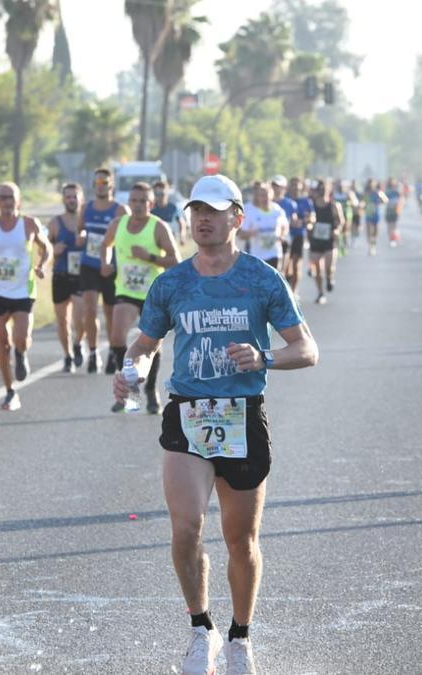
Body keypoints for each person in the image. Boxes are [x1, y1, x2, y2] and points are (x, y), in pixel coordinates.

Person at [113, 175, 318, 675]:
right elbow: (145, 344)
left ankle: (240, 638)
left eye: (215, 210)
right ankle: (200, 629)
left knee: (240, 539)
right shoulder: (172, 283)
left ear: (237, 219)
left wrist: (263, 356)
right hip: (188, 412)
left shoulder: (262, 279)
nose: (203, 218)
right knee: (186, 528)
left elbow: (307, 349)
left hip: (242, 416)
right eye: (196, 210)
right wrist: (132, 371)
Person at [0, 183, 52, 411]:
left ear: (19, 200)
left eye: (11, 197)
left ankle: (22, 352)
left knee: (21, 337)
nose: (7, 201)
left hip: (23, 291)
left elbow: (47, 248)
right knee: (1, 344)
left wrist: (42, 265)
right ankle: (9, 391)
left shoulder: (29, 224)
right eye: (3, 197)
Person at [101, 181, 181, 413]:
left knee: (152, 343)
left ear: (151, 204)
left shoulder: (159, 227)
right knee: (116, 337)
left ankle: (150, 389)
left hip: (152, 293)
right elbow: (105, 245)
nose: (137, 206)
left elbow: (175, 260)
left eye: (142, 201)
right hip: (126, 290)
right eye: (134, 201)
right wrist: (105, 262)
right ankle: (126, 384)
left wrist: (150, 257)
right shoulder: (118, 224)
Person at [76, 167, 127, 374]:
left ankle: (113, 351)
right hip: (89, 264)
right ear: (94, 185)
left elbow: (127, 234)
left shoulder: (119, 210)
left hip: (110, 266)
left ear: (111, 185)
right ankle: (93, 351)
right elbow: (80, 228)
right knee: (89, 308)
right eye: (97, 183)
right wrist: (81, 236)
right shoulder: (86, 208)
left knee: (110, 311)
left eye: (104, 183)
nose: (101, 186)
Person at [49, 183, 88, 373]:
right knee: (63, 321)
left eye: (75, 196)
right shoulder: (56, 223)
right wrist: (54, 252)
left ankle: (79, 342)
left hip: (81, 275)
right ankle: (67, 356)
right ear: (64, 199)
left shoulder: (87, 222)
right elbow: (45, 251)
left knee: (81, 318)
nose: (71, 200)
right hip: (60, 275)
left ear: (81, 199)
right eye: (68, 197)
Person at [308, 180, 344, 305]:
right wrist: (309, 225)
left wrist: (337, 230)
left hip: (329, 240)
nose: (322, 191)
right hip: (316, 239)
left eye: (325, 189)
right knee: (317, 269)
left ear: (329, 191)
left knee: (329, 267)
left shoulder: (334, 205)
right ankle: (320, 293)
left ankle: (329, 278)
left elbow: (340, 221)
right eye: (320, 189)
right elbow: (308, 218)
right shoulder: (312, 205)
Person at [240, 181, 289, 270]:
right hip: (257, 255)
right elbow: (242, 234)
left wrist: (282, 235)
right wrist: (250, 233)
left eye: (267, 195)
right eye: (262, 195)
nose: (265, 198)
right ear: (258, 197)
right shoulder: (251, 212)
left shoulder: (277, 210)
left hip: (275, 253)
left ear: (272, 195)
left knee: (273, 282)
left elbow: (285, 226)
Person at [286, 177, 315, 292]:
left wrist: (306, 222)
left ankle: (294, 291)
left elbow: (312, 217)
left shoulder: (306, 201)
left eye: (297, 185)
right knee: (287, 265)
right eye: (292, 185)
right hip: (286, 236)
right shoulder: (286, 200)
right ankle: (288, 284)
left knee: (296, 263)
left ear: (301, 186)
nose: (294, 187)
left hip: (299, 234)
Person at [271, 176, 298, 271]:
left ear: (284, 188)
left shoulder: (290, 204)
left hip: (284, 240)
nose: (275, 188)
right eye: (273, 185)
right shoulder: (266, 202)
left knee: (281, 273)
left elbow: (294, 221)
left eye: (278, 186)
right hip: (268, 241)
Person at [152, 178, 188, 246]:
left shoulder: (174, 208)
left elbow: (182, 223)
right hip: (155, 243)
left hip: (171, 243)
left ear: (167, 193)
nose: (160, 197)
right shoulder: (151, 210)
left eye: (162, 194)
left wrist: (182, 237)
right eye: (157, 194)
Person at [362, 178, 389, 257]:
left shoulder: (378, 193)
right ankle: (370, 247)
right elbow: (363, 203)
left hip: (376, 214)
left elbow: (386, 201)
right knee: (369, 231)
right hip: (368, 214)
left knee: (375, 233)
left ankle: (373, 245)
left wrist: (381, 197)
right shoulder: (366, 193)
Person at [384, 178, 404, 247]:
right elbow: (384, 200)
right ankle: (391, 239)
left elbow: (401, 199)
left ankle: (394, 239)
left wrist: (399, 209)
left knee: (394, 225)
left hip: (395, 210)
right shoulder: (387, 191)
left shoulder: (397, 191)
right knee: (389, 226)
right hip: (389, 210)